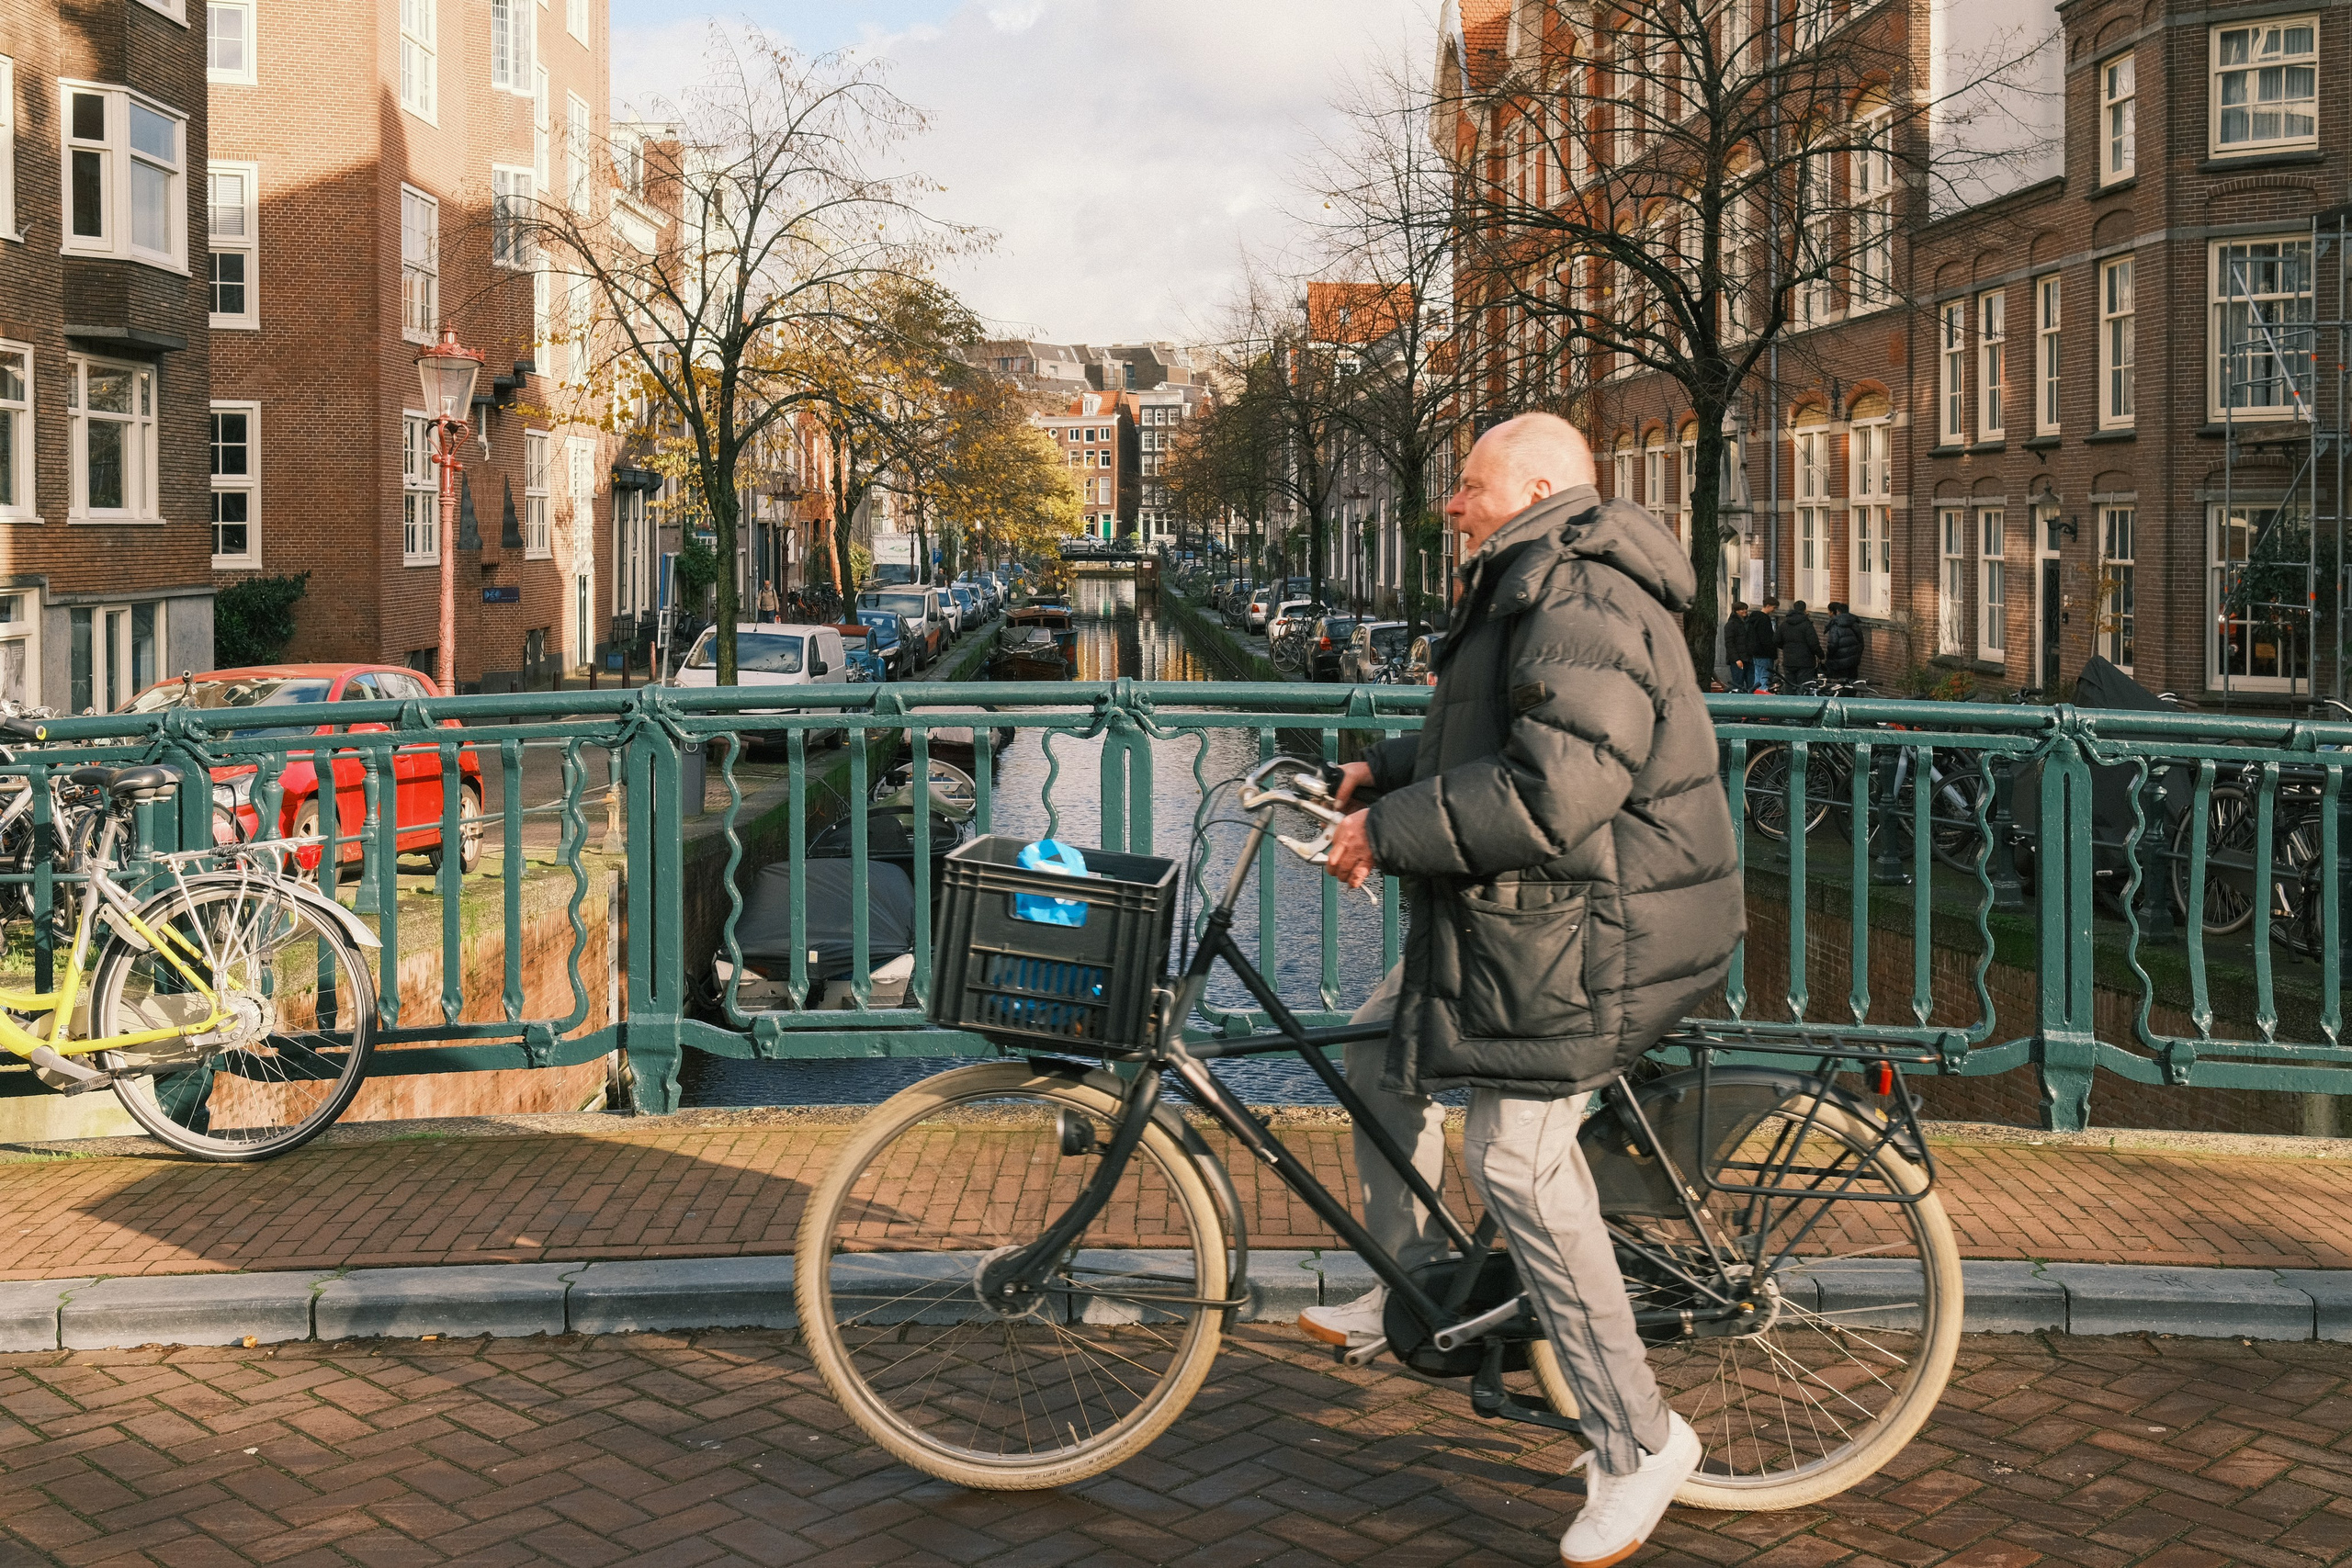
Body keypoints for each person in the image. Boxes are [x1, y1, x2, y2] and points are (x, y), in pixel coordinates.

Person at [1310, 412, 1745, 1567]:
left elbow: (1555, 791)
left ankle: (1637, 1442)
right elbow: (1501, 734)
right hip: (1542, 912)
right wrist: (1382, 773)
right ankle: (1415, 1287)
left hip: (1603, 926)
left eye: (1469, 485)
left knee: (1515, 1160)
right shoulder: (1530, 581)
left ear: (1539, 487)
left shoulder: (1580, 595)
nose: (1450, 505)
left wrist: (1384, 832)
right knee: (1374, 1042)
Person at [1779, 599, 1824, 689]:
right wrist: (1821, 656)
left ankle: (1789, 697)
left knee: (1789, 686)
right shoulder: (1807, 625)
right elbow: (1813, 643)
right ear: (1805, 610)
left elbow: (1776, 640)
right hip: (1805, 662)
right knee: (1804, 687)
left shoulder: (1784, 624)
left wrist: (1787, 648)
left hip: (1789, 661)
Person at [1824, 600, 1866, 681]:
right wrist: (1856, 657)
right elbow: (1861, 643)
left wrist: (1829, 659)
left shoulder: (1835, 626)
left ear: (1838, 612)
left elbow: (1832, 645)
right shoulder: (1855, 624)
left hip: (1838, 664)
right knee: (1851, 683)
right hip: (1853, 662)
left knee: (1838, 684)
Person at [1749, 595, 1781, 692]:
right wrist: (1774, 656)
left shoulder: (1753, 618)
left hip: (1756, 653)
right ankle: (1763, 694)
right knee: (1765, 677)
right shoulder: (1764, 619)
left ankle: (1756, 693)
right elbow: (1767, 640)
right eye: (1774, 608)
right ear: (1768, 606)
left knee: (1757, 676)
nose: (1774, 610)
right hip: (1765, 654)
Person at [1722, 601, 1752, 691]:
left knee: (1752, 684)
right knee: (1738, 684)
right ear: (1736, 611)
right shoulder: (1731, 625)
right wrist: (1736, 659)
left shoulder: (1749, 623)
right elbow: (1729, 643)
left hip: (1749, 658)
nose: (1745, 611)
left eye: (1746, 609)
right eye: (1742, 609)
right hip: (1738, 659)